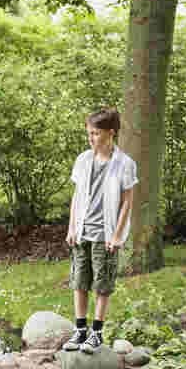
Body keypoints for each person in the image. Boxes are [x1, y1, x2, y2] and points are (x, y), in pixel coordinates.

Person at [61, 108, 137, 355]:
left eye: (95, 133)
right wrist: (72, 227)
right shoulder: (83, 160)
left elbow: (127, 201)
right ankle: (80, 329)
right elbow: (76, 196)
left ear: (110, 133)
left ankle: (96, 333)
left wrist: (117, 235)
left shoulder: (124, 164)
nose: (91, 138)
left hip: (105, 234)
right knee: (79, 281)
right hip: (82, 231)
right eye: (89, 133)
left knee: (102, 284)